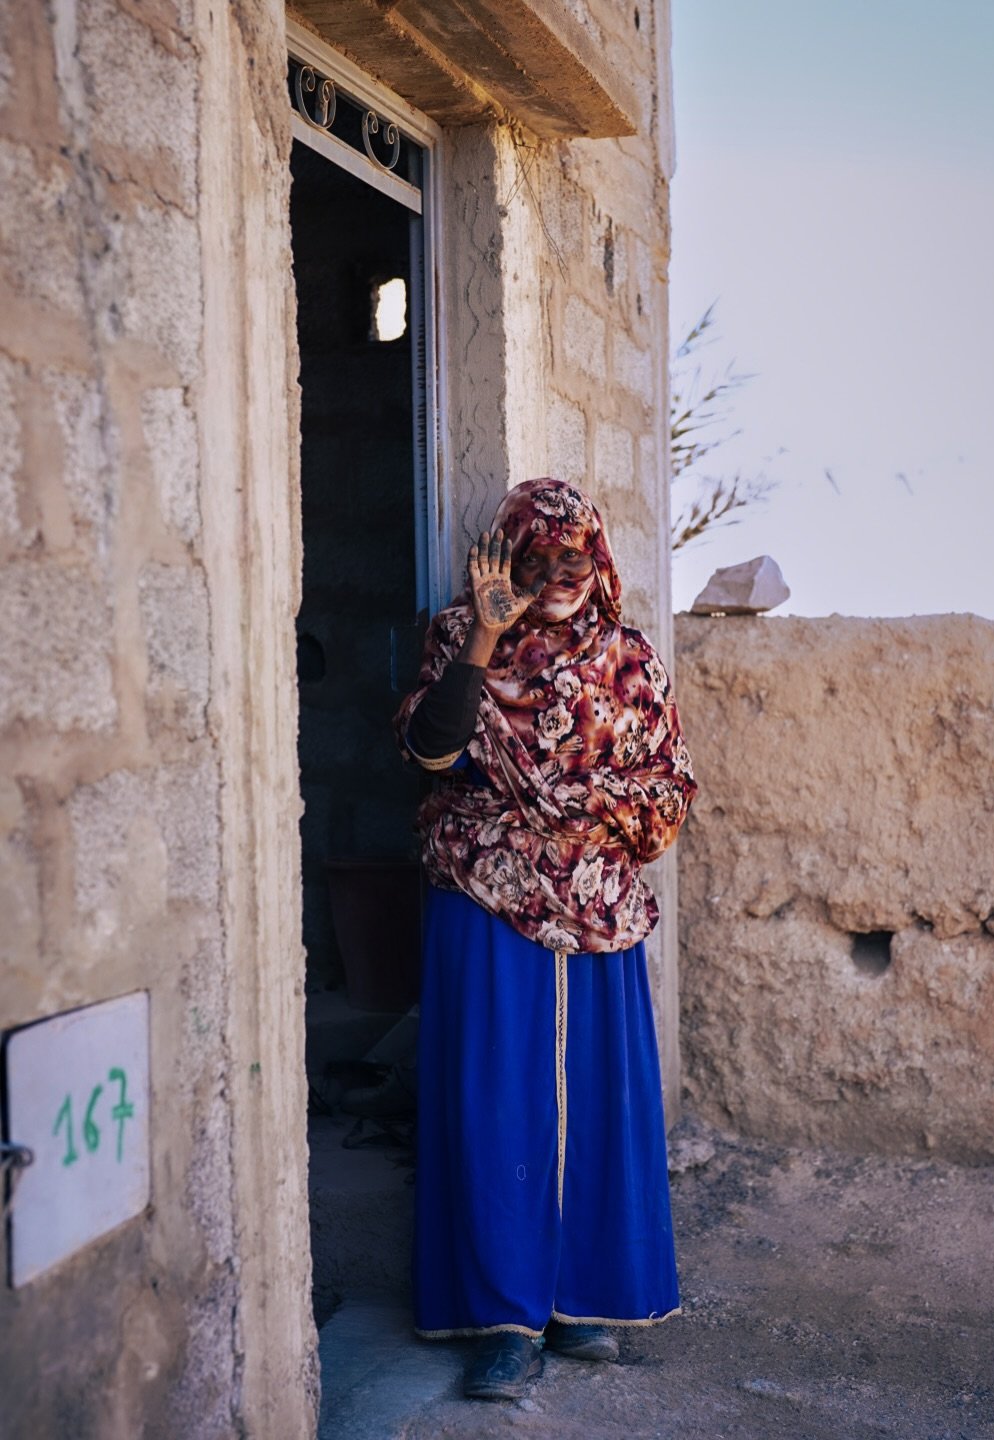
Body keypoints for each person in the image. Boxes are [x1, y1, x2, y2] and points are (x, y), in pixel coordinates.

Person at [393, 478, 697, 1401]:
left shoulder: (629, 658)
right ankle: (502, 1320)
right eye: (540, 557)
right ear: (509, 561)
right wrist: (486, 637)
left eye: (576, 557)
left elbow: (670, 786)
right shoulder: (461, 641)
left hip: (599, 907)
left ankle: (584, 1303)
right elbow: (429, 756)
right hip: (486, 900)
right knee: (496, 1106)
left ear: (597, 561)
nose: (560, 574)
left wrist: (591, 814)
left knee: (595, 1104)